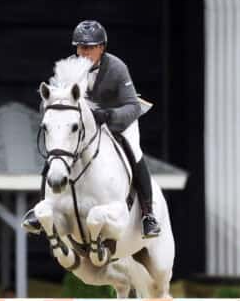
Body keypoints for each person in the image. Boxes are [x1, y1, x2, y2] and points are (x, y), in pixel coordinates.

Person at [24, 20, 161, 239]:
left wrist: (110, 116)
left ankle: (148, 214)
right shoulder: (67, 67)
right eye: (80, 47)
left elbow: (132, 106)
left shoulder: (116, 67)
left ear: (102, 48)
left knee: (134, 151)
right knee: (58, 152)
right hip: (82, 126)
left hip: (115, 120)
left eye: (89, 47)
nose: (84, 52)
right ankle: (41, 206)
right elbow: (51, 102)